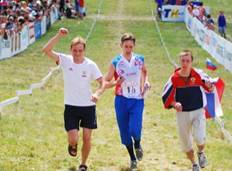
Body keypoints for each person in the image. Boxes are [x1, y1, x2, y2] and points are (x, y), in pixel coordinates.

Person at [42, 28, 104, 171]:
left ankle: (83, 164)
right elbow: (46, 50)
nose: (77, 54)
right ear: (71, 50)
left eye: (80, 51)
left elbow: (102, 83)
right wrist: (59, 35)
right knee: (73, 138)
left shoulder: (90, 65)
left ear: (84, 51)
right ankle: (72, 145)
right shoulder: (65, 60)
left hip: (88, 106)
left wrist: (97, 94)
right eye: (74, 50)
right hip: (71, 106)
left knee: (87, 138)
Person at [104, 33, 150, 170]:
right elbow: (105, 82)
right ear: (121, 46)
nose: (128, 49)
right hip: (121, 100)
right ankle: (132, 158)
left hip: (137, 99)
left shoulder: (139, 59)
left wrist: (146, 82)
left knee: (135, 129)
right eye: (126, 46)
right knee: (124, 132)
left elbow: (145, 72)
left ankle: (137, 143)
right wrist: (115, 83)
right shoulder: (116, 62)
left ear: (134, 46)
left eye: (131, 46)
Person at [162, 50, 214, 171]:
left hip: (198, 111)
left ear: (191, 62)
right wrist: (175, 104)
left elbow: (210, 88)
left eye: (187, 61)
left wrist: (210, 85)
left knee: (199, 137)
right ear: (179, 62)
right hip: (182, 114)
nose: (185, 63)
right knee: (186, 144)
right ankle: (194, 164)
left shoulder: (199, 75)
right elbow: (165, 97)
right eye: (182, 61)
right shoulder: (174, 78)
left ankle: (201, 153)